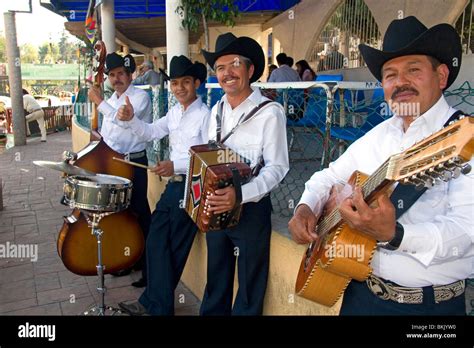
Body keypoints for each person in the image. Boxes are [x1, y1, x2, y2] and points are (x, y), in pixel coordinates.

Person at [288, 16, 472, 315]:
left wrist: (395, 235)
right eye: (390, 75)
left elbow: (467, 233)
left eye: (413, 70)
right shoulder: (382, 132)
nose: (400, 82)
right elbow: (329, 176)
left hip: (427, 307)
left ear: (441, 76)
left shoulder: (464, 139)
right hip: (360, 295)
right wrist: (305, 207)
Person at [199, 33, 289, 315]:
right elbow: (207, 159)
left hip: (251, 210)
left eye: (235, 64)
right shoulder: (215, 110)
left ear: (250, 70)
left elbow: (278, 167)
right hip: (216, 207)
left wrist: (240, 195)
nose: (227, 73)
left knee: (249, 288)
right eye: (221, 67)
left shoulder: (270, 112)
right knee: (216, 277)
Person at [116, 56, 210, 315]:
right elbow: (149, 132)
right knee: (157, 242)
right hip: (174, 187)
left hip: (193, 189)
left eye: (186, 82)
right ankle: (155, 304)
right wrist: (132, 119)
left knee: (174, 247)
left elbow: (208, 157)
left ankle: (156, 306)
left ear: (197, 83)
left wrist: (175, 165)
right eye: (175, 82)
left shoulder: (205, 116)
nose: (179, 87)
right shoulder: (174, 113)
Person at [88, 52, 152, 287]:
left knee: (139, 213)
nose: (116, 79)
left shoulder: (140, 97)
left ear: (130, 75)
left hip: (133, 163)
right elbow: (108, 133)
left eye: (121, 74)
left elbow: (124, 120)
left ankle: (149, 268)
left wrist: (99, 102)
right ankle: (129, 259)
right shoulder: (111, 99)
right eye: (112, 75)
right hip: (113, 165)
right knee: (120, 215)